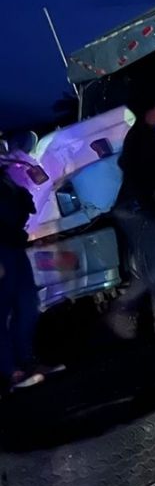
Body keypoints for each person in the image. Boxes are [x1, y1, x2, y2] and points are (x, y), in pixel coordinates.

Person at [107, 88, 155, 339]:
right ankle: (127, 310)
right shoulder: (141, 139)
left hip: (141, 209)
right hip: (138, 211)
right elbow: (140, 175)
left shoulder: (147, 136)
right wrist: (153, 205)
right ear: (150, 111)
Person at [0, 161, 40, 388]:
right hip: (3, 249)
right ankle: (11, 370)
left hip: (13, 246)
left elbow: (23, 202)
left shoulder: (6, 175)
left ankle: (25, 360)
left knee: (27, 304)